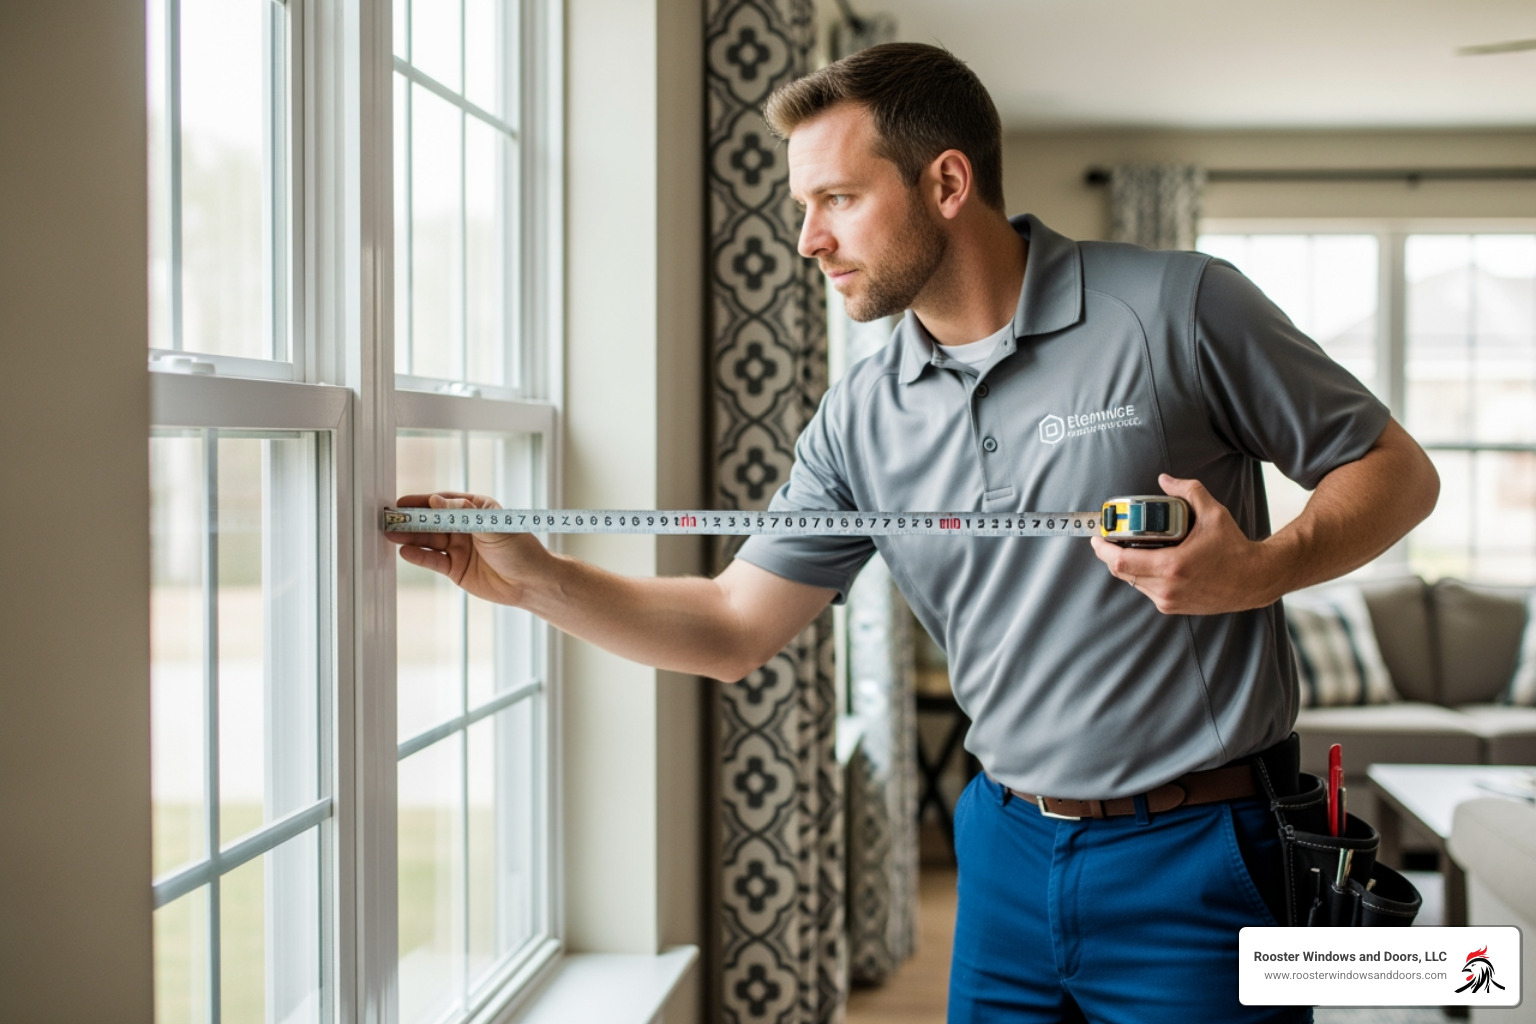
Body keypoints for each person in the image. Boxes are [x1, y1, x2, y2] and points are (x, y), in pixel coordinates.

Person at [391, 42, 1439, 1024]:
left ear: (946, 184)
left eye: (838, 199)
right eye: (805, 206)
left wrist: (1261, 569)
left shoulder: (1179, 308)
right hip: (1002, 850)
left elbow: (1396, 471)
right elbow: (731, 625)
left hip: (1203, 852)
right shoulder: (859, 415)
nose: (809, 240)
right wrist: (534, 580)